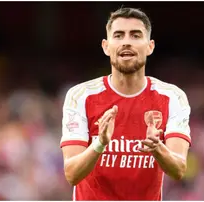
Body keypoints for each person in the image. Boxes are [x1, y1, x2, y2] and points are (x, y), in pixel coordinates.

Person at [60, 7, 191, 200]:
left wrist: (158, 148)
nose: (126, 42)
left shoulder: (172, 97)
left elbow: (178, 169)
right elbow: (71, 173)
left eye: (136, 35)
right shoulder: (81, 95)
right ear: (106, 46)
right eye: (119, 35)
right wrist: (100, 143)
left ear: (150, 46)